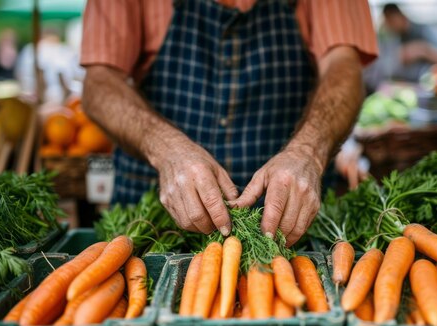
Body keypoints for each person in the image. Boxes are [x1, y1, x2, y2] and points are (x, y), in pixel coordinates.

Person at [81, 0, 378, 246]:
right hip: (156, 218)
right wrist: (167, 150)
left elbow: (344, 66)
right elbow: (99, 83)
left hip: (287, 224)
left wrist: (308, 153)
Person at [380, 3, 437, 82]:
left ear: (401, 16)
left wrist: (422, 50)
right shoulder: (396, 38)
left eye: (391, 21)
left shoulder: (425, 30)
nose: (388, 25)